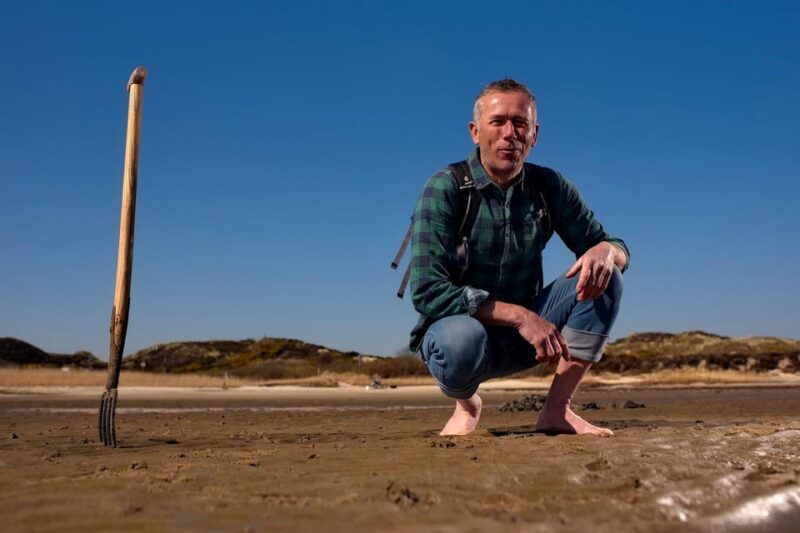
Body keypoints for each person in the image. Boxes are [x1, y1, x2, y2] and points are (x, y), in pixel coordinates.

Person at [408, 78, 629, 436]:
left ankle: (558, 411)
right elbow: (427, 291)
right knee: (461, 340)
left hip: (532, 341)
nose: (510, 133)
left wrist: (608, 250)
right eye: (498, 122)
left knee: (605, 274)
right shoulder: (445, 188)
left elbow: (609, 244)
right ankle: (467, 404)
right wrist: (520, 317)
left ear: (534, 134)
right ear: (475, 131)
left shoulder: (549, 186)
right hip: (460, 340)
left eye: (520, 123)